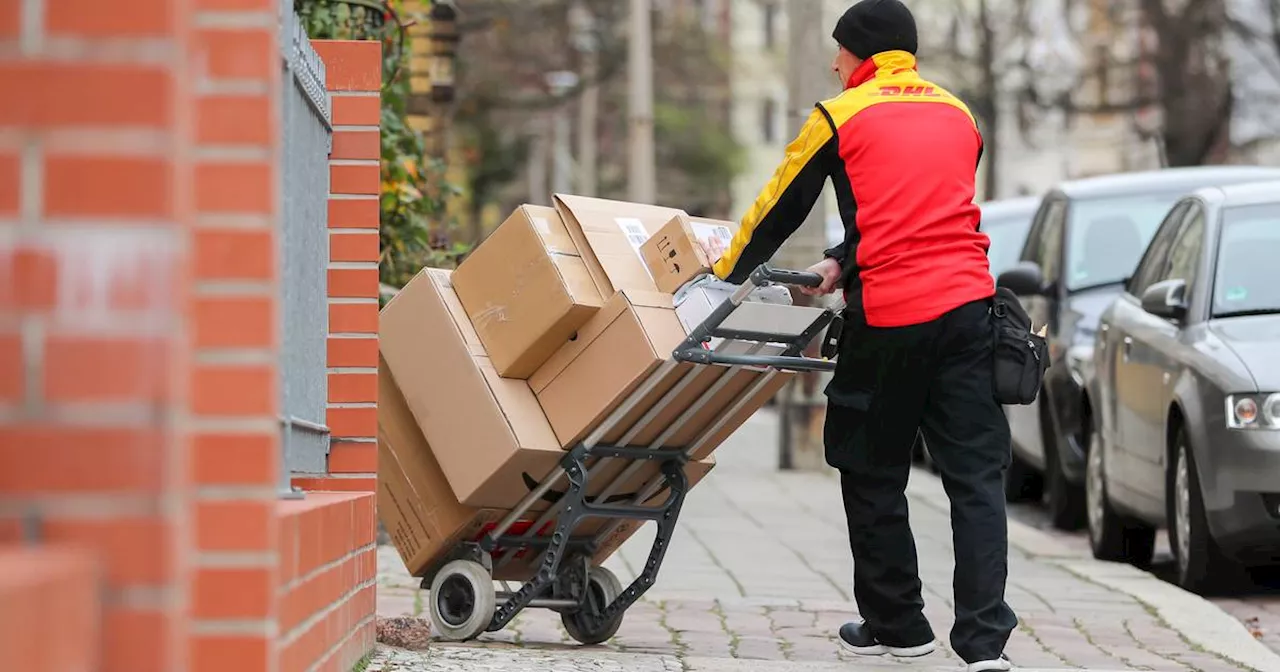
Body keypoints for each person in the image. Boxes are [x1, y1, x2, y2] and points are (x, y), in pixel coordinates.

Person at [698, 1, 1017, 670]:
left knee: (871, 468)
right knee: (977, 480)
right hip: (969, 311)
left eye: (839, 51)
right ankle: (985, 644)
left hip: (894, 316)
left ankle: (899, 624)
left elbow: (775, 209)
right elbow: (917, 210)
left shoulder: (839, 115)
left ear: (861, 52)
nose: (834, 63)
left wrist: (720, 278)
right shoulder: (960, 116)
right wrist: (841, 262)